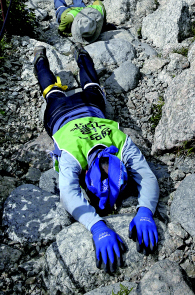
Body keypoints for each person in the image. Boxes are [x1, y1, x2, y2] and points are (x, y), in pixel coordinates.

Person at [32, 43, 160, 272]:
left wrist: (100, 225)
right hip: (60, 114)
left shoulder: (117, 144)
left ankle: (74, 54)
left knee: (87, 84)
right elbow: (69, 196)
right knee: (52, 91)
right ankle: (50, 57)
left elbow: (70, 196)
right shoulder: (108, 147)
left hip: (89, 106)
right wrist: (143, 211)